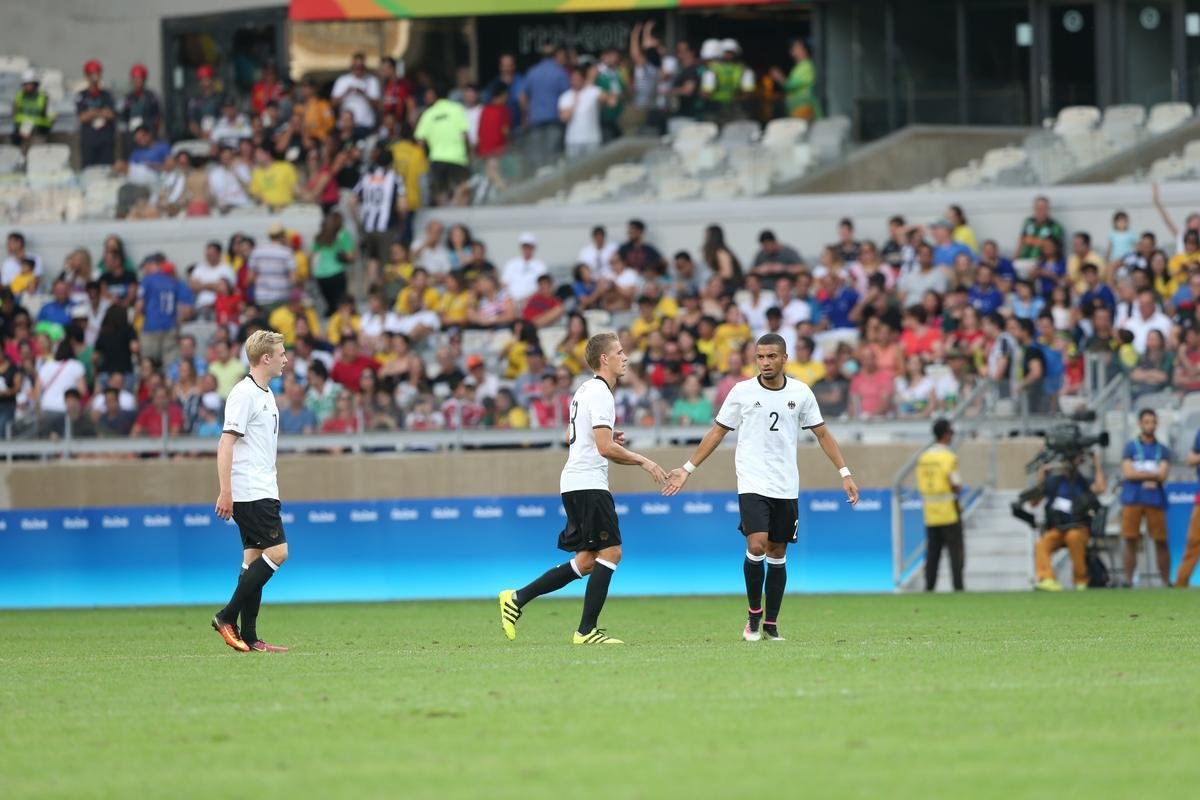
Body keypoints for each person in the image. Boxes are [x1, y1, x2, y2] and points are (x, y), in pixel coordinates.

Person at [662, 333, 858, 641]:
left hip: (786, 486)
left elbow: (822, 434)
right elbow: (717, 432)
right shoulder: (741, 391)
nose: (764, 363)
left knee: (778, 552)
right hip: (752, 482)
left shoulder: (801, 392)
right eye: (760, 357)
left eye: (770, 357)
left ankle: (771, 624)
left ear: (784, 359)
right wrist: (688, 468)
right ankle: (754, 616)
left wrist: (845, 472)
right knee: (756, 545)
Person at [498, 332, 669, 645]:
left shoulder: (585, 389)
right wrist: (645, 461)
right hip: (588, 482)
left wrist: (603, 438)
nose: (625, 357)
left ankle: (516, 598)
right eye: (619, 352)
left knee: (588, 560)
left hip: (578, 481)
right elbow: (604, 449)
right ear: (605, 359)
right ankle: (586, 631)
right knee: (612, 551)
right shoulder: (601, 393)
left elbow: (570, 434)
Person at [212, 331, 290, 653]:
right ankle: (225, 616)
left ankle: (250, 636)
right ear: (266, 358)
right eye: (281, 353)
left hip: (263, 488)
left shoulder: (266, 393)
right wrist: (225, 491)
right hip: (250, 491)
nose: (286, 359)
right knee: (278, 553)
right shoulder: (243, 394)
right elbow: (225, 443)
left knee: (253, 559)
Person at [1030, 450, 1106, 591]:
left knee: (1074, 537)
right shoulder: (1053, 482)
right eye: (1064, 460)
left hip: (1078, 528)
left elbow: (1100, 487)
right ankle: (1047, 579)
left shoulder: (1082, 482)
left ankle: (1080, 580)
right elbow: (1034, 501)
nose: (1067, 463)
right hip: (1057, 529)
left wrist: (1096, 463)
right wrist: (1042, 472)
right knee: (1041, 544)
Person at [1120, 409, 1172, 587]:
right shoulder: (1130, 447)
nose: (1150, 425)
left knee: (1161, 540)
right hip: (1133, 498)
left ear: (1156, 424)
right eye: (1146, 421)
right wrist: (1152, 473)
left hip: (1154, 499)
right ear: (1140, 424)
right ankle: (1128, 580)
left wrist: (1139, 472)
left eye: (1153, 422)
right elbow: (1127, 473)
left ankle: (1166, 581)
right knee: (1130, 538)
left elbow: (1163, 475)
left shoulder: (1162, 449)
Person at [917, 419, 963, 591]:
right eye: (951, 432)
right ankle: (958, 587)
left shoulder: (924, 457)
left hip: (930, 512)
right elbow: (955, 483)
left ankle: (929, 588)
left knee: (932, 554)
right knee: (955, 554)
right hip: (948, 511)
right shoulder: (949, 457)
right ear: (946, 434)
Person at [353, 149, 407, 284]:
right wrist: (401, 221)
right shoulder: (394, 177)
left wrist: (359, 223)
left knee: (372, 259)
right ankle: (383, 295)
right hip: (386, 227)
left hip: (367, 226)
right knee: (385, 265)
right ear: (391, 162)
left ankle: (371, 293)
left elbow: (352, 201)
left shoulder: (366, 177)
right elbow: (402, 206)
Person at [414, 85, 470, 206]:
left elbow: (420, 141)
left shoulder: (428, 113)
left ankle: (445, 216)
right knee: (462, 190)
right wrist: (469, 154)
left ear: (434, 96)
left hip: (437, 159)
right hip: (458, 158)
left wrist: (424, 159)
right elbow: (465, 134)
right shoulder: (457, 109)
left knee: (440, 193)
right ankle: (459, 215)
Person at [558, 65, 611, 159]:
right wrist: (574, 104)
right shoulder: (565, 97)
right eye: (573, 79)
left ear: (583, 79)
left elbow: (608, 100)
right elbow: (564, 118)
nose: (575, 82)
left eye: (578, 79)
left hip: (592, 139)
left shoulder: (593, 91)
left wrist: (592, 78)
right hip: (573, 141)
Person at [76, 59, 117, 167]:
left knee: (107, 169)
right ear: (87, 76)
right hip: (89, 140)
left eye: (97, 73)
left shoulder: (107, 95)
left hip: (105, 140)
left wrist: (92, 112)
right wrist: (101, 112)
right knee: (89, 170)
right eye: (91, 74)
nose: (94, 77)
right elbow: (83, 117)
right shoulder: (82, 96)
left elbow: (111, 115)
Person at [331, 52, 381, 139]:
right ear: (352, 66)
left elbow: (377, 105)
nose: (358, 70)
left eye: (361, 67)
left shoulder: (372, 80)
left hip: (365, 125)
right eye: (356, 67)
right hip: (346, 127)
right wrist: (346, 92)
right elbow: (333, 103)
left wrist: (364, 94)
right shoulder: (342, 80)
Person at [771, 38, 821, 121]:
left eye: (797, 47)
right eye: (793, 48)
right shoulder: (799, 67)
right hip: (797, 109)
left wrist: (779, 77)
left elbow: (790, 85)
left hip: (804, 109)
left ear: (805, 50)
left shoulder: (807, 66)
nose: (794, 50)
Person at [11, 69, 53, 154]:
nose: (26, 86)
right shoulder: (19, 97)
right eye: (24, 84)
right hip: (21, 133)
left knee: (37, 155)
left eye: (28, 84)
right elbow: (15, 115)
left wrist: (44, 128)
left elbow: (51, 116)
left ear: (35, 84)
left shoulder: (44, 98)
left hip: (38, 133)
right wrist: (20, 129)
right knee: (20, 157)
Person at [1015, 195, 1064, 261]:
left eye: (1043, 208)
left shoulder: (1055, 226)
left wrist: (1031, 240)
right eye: (1037, 208)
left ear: (1048, 209)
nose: (1040, 211)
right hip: (1022, 260)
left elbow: (1052, 248)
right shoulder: (1028, 222)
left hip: (1040, 263)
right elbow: (1021, 240)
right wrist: (1015, 256)